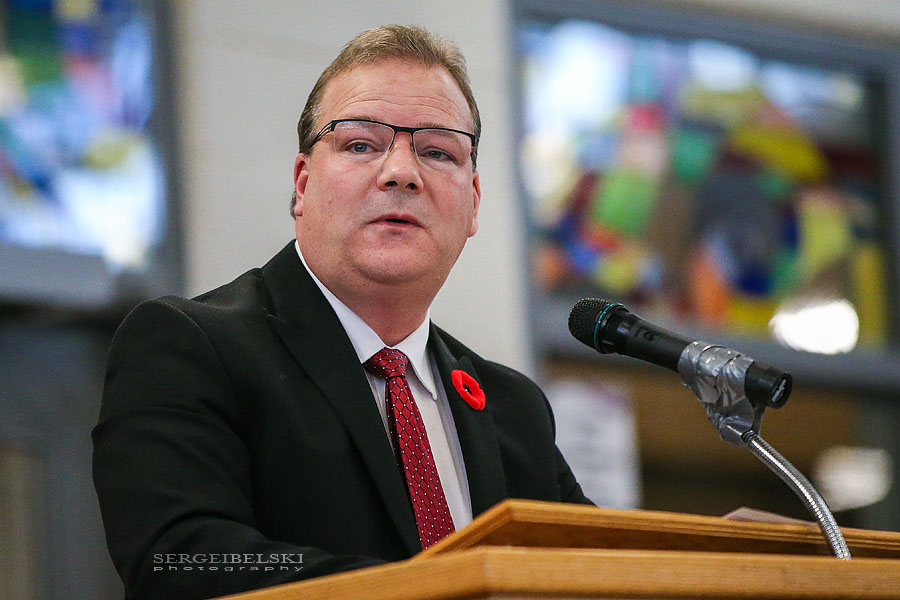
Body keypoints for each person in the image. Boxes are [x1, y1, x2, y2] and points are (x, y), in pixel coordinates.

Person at [93, 24, 591, 600]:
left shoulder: (513, 407)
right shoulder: (190, 345)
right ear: (302, 184)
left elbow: (600, 567)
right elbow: (179, 561)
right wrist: (436, 588)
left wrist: (713, 550)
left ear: (473, 203)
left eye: (437, 151)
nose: (402, 172)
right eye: (360, 145)